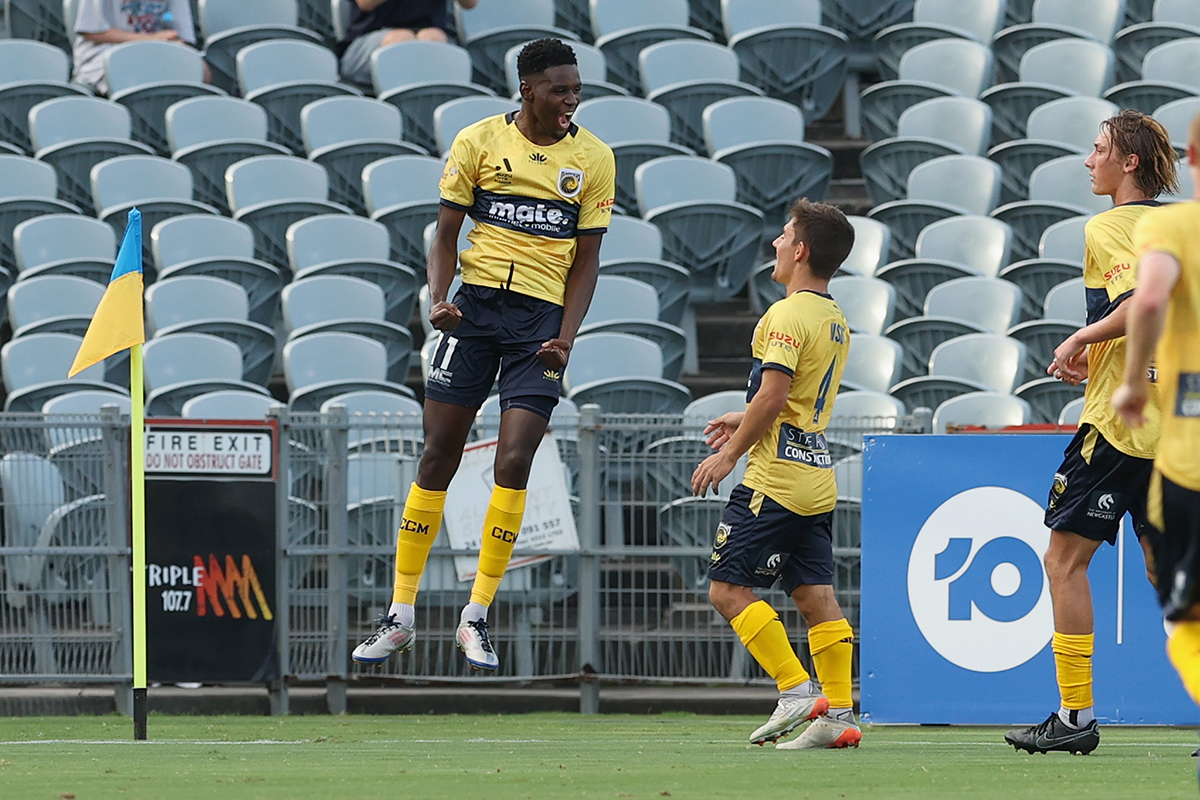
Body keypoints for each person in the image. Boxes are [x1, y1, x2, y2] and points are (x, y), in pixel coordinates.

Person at [351, 38, 615, 671]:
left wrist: (567, 334)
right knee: (437, 454)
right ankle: (401, 614)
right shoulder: (477, 142)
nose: (571, 100)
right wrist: (438, 299)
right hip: (472, 313)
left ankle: (476, 616)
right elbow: (445, 236)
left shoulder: (595, 158)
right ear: (527, 89)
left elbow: (587, 260)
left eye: (576, 89)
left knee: (515, 458)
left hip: (539, 326)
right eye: (559, 89)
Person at [1005, 110, 1178, 755]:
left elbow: (1140, 302)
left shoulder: (1110, 226)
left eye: (1099, 148)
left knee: (1063, 561)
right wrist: (1101, 352)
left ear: (1128, 162)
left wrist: (1080, 337)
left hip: (1118, 428)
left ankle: (1074, 717)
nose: (1089, 160)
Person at [692, 198, 860, 750]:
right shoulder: (834, 318)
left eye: (785, 236)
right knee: (815, 597)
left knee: (726, 590)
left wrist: (730, 454)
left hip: (774, 481)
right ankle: (839, 713)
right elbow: (794, 400)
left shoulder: (785, 315)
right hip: (816, 477)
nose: (776, 243)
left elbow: (773, 395)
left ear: (802, 251)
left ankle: (794, 690)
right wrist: (744, 415)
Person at [1112, 110, 1200, 722]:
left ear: (1191, 157)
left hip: (1189, 464)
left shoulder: (1171, 227)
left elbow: (1147, 300)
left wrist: (1131, 384)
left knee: (1185, 619)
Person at [72, 0, 202, 95]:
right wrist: (152, 39)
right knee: (136, 72)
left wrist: (176, 44)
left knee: (200, 71)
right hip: (103, 54)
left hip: (156, 54)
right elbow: (92, 32)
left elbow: (182, 36)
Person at [336, 0, 478, 85]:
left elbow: (469, 3)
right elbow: (366, 3)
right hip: (369, 42)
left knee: (433, 39)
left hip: (430, 36)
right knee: (401, 40)